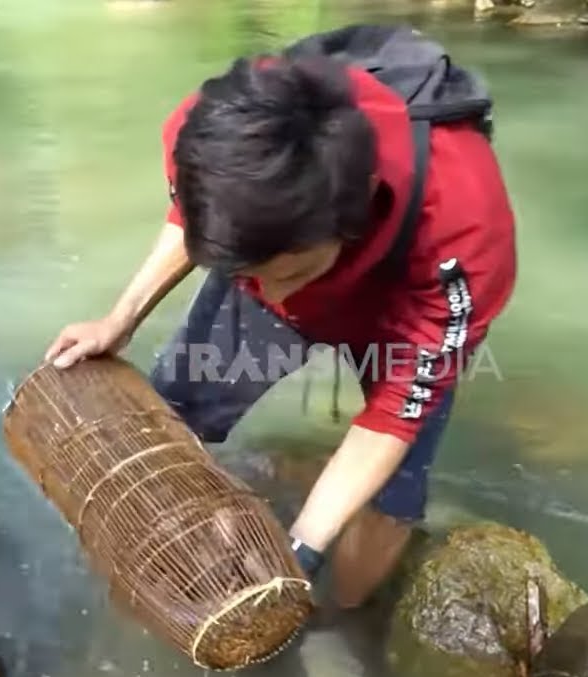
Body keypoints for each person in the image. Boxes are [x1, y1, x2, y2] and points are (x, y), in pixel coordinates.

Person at [44, 25, 516, 611]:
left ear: (361, 203)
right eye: (250, 271)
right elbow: (194, 218)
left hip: (402, 297)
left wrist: (302, 552)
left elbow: (394, 418)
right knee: (175, 414)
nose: (271, 293)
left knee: (391, 495)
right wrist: (122, 316)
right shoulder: (207, 131)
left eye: (285, 274)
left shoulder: (463, 236)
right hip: (284, 245)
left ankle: (342, 624)